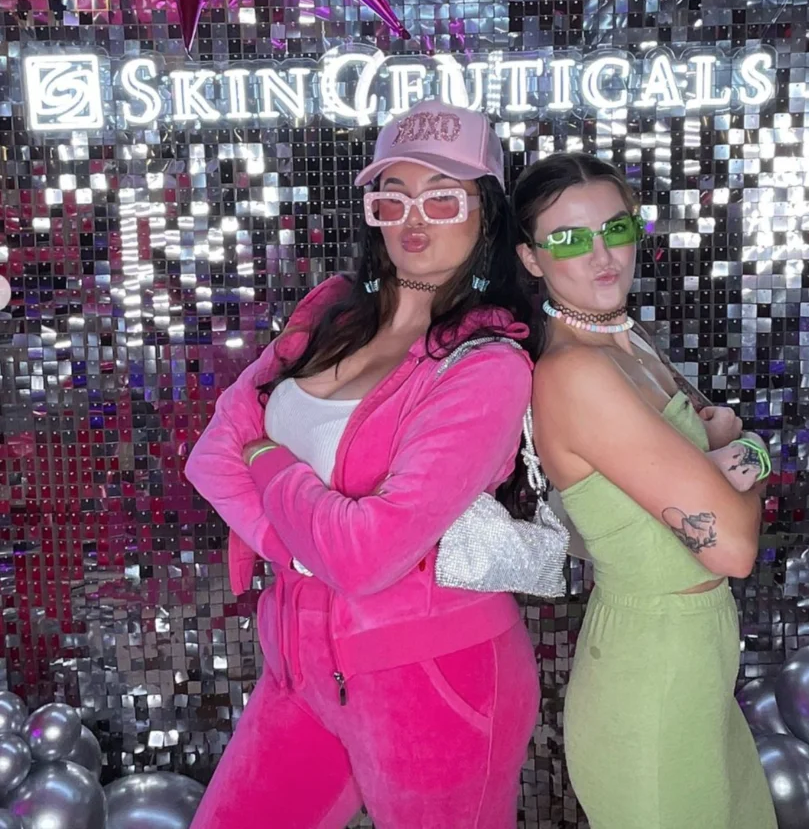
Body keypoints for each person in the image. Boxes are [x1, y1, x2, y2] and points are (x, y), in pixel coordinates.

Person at [186, 99, 541, 829]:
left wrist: (268, 458)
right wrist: (301, 549)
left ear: (486, 214)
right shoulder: (332, 314)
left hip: (432, 679)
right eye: (393, 197)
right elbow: (211, 453)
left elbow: (367, 552)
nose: (416, 218)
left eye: (443, 198)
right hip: (299, 665)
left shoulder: (486, 366)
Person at [512, 152, 777, 829]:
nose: (601, 256)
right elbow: (733, 546)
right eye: (568, 239)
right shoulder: (577, 372)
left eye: (616, 229)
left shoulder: (625, 339)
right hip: (650, 672)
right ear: (531, 259)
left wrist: (732, 451)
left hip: (697, 657)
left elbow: (718, 446)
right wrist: (750, 450)